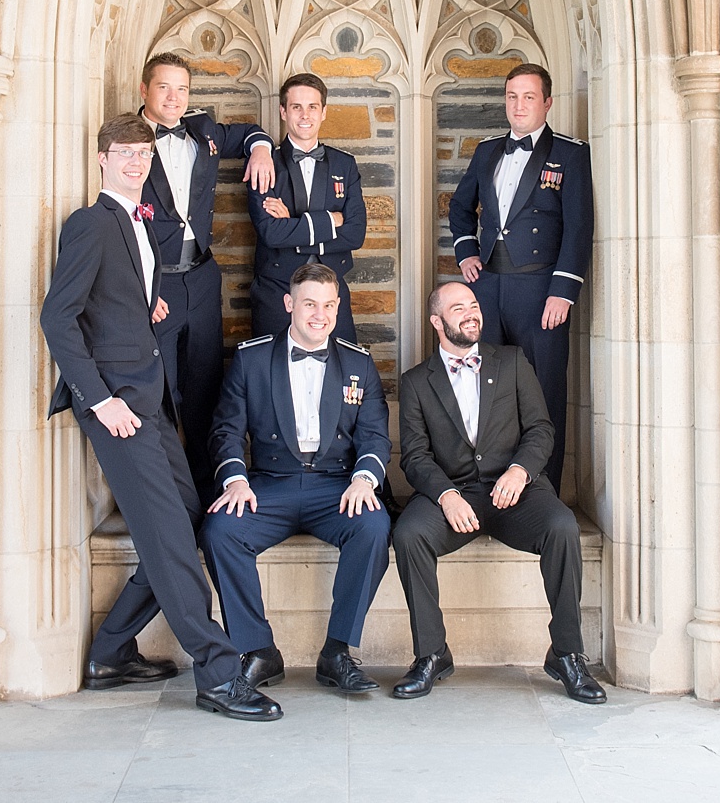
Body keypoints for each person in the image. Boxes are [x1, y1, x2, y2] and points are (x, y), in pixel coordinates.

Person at [40, 113, 281, 721]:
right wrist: (98, 400)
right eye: (122, 153)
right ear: (102, 158)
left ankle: (112, 652)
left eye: (141, 155)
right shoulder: (90, 223)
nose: (133, 162)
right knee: (171, 538)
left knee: (191, 518)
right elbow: (58, 319)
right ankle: (219, 674)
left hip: (152, 400)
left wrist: (154, 308)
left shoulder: (142, 224)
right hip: (118, 408)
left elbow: (120, 303)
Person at [388, 281, 605, 704]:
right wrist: (446, 495)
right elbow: (414, 457)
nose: (471, 313)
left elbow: (541, 429)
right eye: (458, 308)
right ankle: (432, 653)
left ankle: (566, 653)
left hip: (516, 492)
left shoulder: (511, 361)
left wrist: (521, 471)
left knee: (562, 526)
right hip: (455, 494)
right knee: (409, 534)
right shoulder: (415, 382)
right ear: (437, 322)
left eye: (473, 305)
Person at [199, 263, 392, 694]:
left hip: (336, 486)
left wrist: (365, 479)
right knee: (220, 530)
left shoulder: (358, 362)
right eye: (309, 304)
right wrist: (235, 480)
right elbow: (226, 429)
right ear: (289, 304)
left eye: (327, 305)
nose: (318, 315)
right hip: (269, 483)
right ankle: (258, 650)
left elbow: (376, 435)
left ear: (338, 307)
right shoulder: (251, 358)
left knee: (374, 525)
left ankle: (337, 652)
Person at [136, 51, 276, 507]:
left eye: (182, 89)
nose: (174, 98)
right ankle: (164, 496)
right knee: (160, 390)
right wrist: (140, 288)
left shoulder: (204, 131)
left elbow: (253, 132)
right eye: (164, 87)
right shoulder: (127, 141)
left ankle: (204, 490)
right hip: (156, 285)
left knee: (204, 385)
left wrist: (259, 148)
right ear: (144, 90)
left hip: (200, 277)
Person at [448, 62, 592, 490]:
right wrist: (466, 252)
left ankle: (542, 489)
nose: (519, 105)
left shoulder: (570, 153)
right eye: (512, 96)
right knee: (486, 388)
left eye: (529, 97)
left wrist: (563, 292)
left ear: (547, 102)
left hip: (540, 289)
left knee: (543, 389)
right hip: (489, 286)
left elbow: (579, 226)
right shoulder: (488, 150)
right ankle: (487, 484)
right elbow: (459, 208)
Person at [248, 73, 366, 341]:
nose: (305, 115)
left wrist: (294, 223)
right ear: (283, 111)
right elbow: (271, 233)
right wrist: (331, 221)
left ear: (323, 112)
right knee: (272, 372)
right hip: (277, 288)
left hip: (331, 290)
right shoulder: (266, 163)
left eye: (313, 107)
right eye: (296, 107)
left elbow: (355, 233)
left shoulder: (344, 165)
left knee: (342, 370)